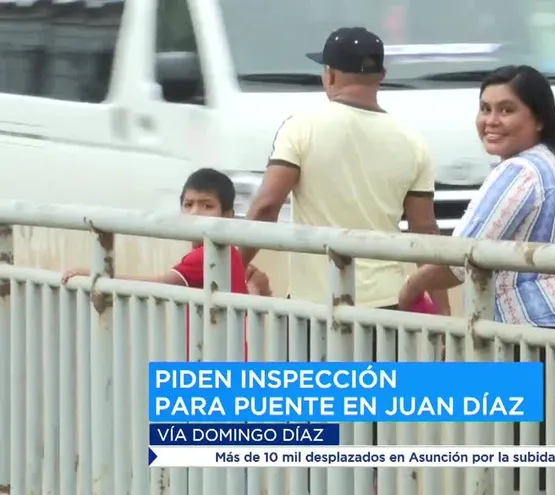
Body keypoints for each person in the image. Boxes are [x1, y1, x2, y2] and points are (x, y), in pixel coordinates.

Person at [397, 65, 555, 492]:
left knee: (523, 470)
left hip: (543, 334)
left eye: (506, 110)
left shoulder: (519, 171)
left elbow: (461, 257)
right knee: (552, 467)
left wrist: (410, 288)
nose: (490, 120)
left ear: (537, 118)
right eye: (484, 108)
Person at [241, 26, 449, 315]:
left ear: (330, 74)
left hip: (316, 305)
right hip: (387, 306)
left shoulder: (301, 127)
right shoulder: (413, 142)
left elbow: (266, 207)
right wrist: (444, 317)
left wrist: (227, 272)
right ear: (382, 76)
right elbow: (425, 231)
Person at [61, 168, 271, 360]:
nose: (195, 213)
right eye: (188, 205)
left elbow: (160, 284)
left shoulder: (208, 255)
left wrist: (97, 275)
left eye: (207, 205)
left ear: (228, 215)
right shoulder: (229, 252)